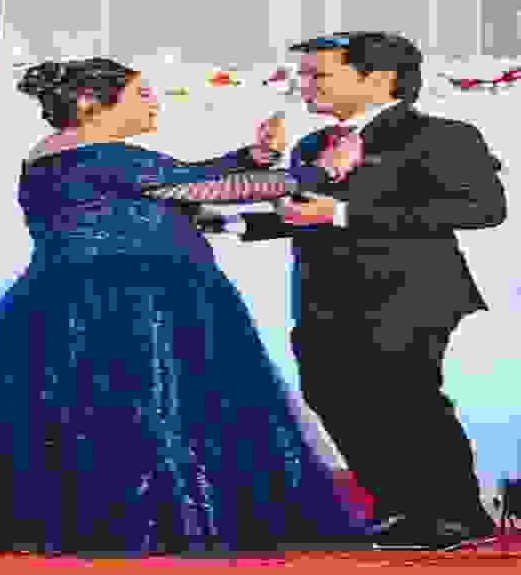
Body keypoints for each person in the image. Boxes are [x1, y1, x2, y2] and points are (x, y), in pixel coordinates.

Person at [0, 57, 369, 556]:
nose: (153, 103)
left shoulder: (62, 153)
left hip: (70, 299)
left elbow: (182, 178)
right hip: (140, 302)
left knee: (88, 416)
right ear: (90, 103)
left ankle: (87, 522)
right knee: (155, 413)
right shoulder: (108, 156)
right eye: (141, 94)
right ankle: (157, 526)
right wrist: (322, 171)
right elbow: (211, 188)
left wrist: (253, 155)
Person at [214, 32, 505, 551]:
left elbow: (482, 208)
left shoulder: (442, 134)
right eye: (302, 75)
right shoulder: (313, 145)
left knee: (404, 398)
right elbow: (303, 214)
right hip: (322, 296)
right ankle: (399, 509)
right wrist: (230, 225)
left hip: (410, 292)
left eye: (318, 75)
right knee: (331, 395)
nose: (304, 86)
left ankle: (455, 514)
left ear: (379, 78)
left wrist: (346, 213)